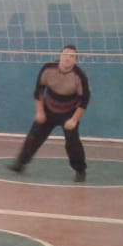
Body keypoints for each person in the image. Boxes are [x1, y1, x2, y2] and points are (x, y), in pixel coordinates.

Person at [7, 45, 91, 182]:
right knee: (34, 136)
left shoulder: (79, 76)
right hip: (48, 108)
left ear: (76, 60)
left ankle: (80, 170)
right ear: (60, 56)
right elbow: (38, 91)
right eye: (65, 54)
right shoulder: (48, 69)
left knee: (72, 142)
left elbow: (84, 100)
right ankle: (20, 164)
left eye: (72, 56)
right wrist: (40, 112)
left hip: (69, 112)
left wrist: (74, 120)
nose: (67, 58)